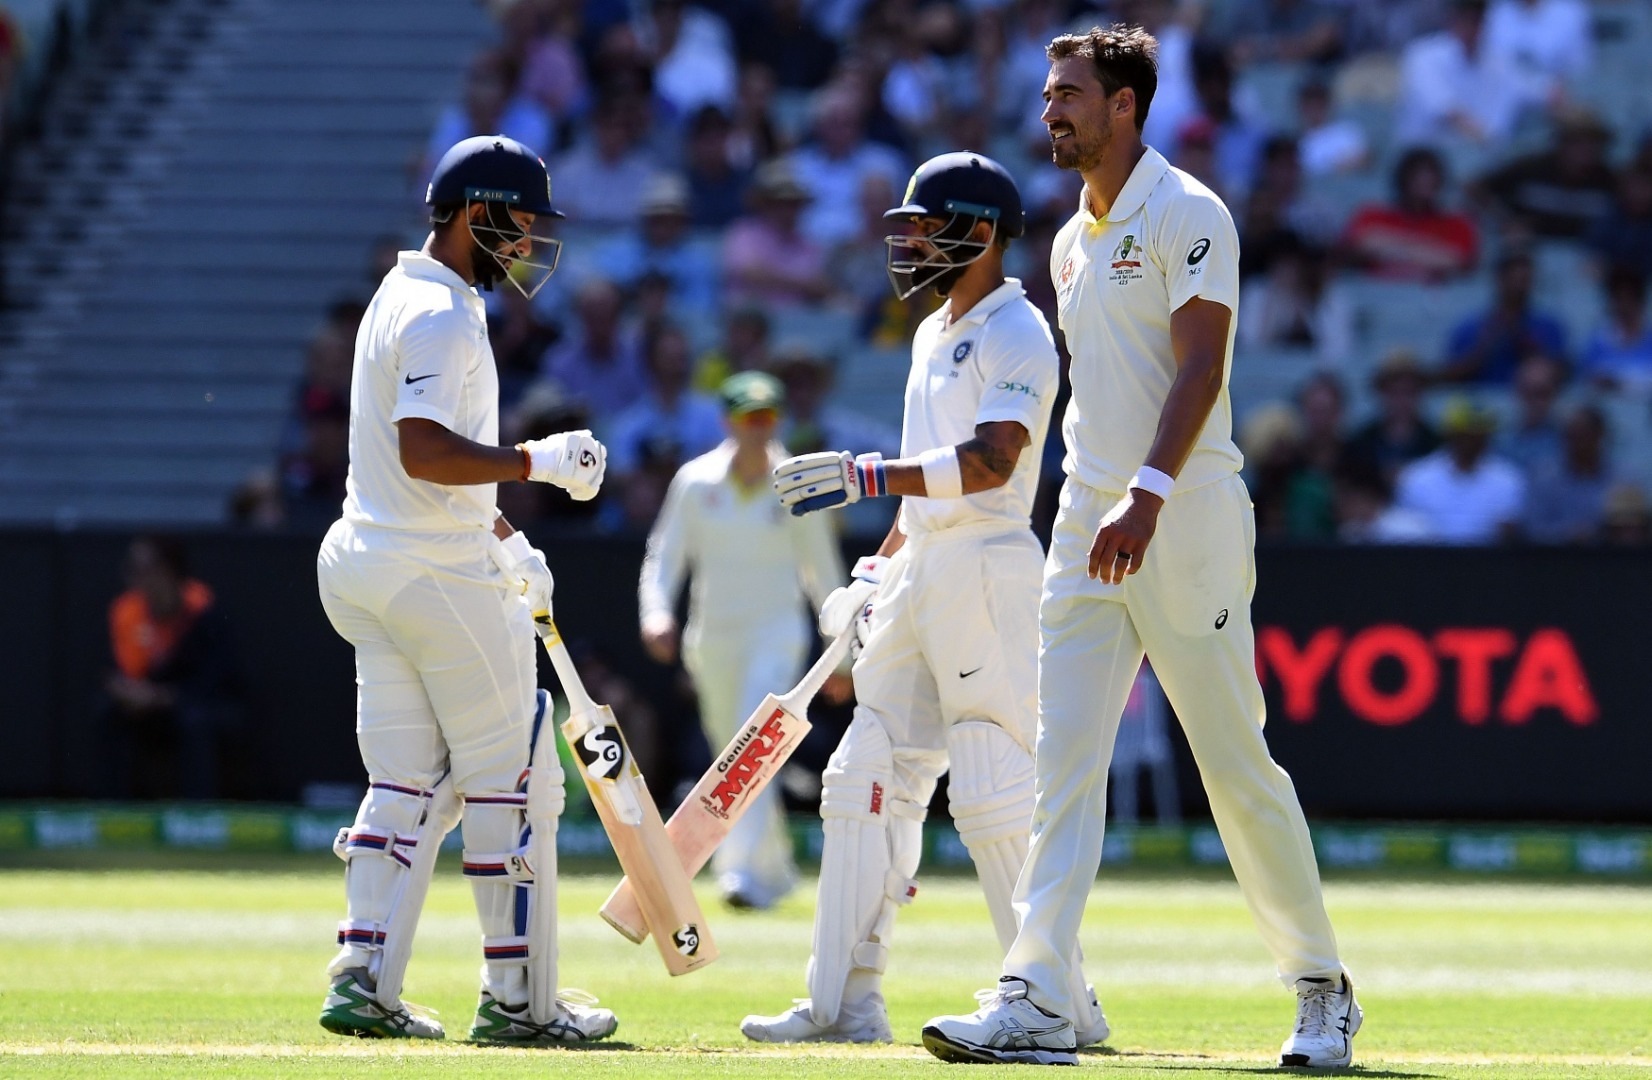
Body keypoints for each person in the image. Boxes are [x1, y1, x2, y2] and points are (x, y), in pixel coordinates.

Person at [921, 27, 1359, 1069]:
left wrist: (1148, 496)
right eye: (1045, 95)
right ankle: (1033, 995)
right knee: (1059, 766)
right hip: (1086, 518)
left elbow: (1199, 368)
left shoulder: (1189, 211)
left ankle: (1318, 989)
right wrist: (1103, 502)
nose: (1050, 112)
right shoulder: (1069, 238)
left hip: (1184, 513)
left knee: (1232, 762)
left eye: (1069, 94)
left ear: (1124, 105)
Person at [748, 151, 1107, 1048]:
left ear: (979, 235)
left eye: (924, 227)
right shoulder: (930, 331)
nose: (908, 244)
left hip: (989, 566)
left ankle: (1053, 1001)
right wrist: (876, 571)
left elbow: (990, 461)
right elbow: (922, 495)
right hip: (924, 565)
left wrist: (865, 472)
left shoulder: (1019, 331)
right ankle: (843, 1004)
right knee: (861, 778)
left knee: (991, 788)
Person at [314, 135, 615, 1044]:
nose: (528, 242)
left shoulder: (399, 294)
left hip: (368, 559)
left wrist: (500, 529)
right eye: (520, 222)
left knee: (402, 780)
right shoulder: (444, 311)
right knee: (511, 780)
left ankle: (362, 976)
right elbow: (423, 449)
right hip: (427, 569)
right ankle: (520, 1001)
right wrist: (539, 463)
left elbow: (406, 464)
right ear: (477, 212)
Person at [638, 371, 845, 909]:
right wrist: (657, 613)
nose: (759, 428)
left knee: (751, 751)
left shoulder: (795, 484)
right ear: (729, 421)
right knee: (732, 756)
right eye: (749, 417)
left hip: (778, 635)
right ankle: (773, 872)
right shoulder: (695, 481)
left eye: (768, 417)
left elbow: (822, 574)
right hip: (713, 641)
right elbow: (665, 555)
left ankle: (739, 877)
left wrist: (843, 649)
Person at [104, 535, 244, 800]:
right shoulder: (128, 611)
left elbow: (212, 681)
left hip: (194, 701)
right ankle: (114, 807)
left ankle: (197, 813)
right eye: (133, 571)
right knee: (108, 712)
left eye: (145, 570)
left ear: (169, 571)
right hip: (146, 703)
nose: (137, 580)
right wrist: (129, 692)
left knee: (196, 719)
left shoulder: (203, 612)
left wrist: (163, 697)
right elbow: (120, 669)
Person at [1394, 396, 1526, 543]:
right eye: (1464, 434)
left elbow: (1510, 536)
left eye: (1478, 435)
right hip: (1429, 562)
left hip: (1488, 563)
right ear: (1449, 434)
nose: (1470, 442)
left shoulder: (1508, 478)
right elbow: (1405, 535)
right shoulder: (1417, 477)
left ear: (1488, 436)